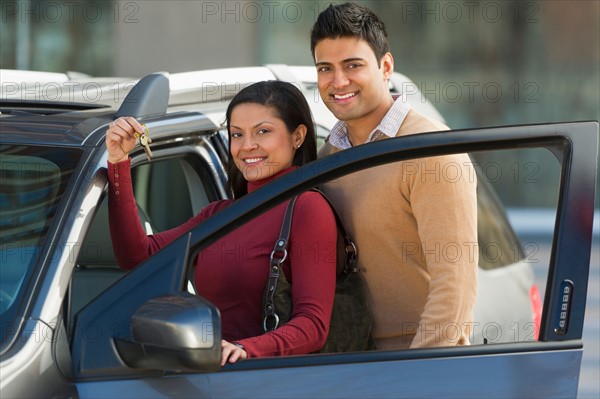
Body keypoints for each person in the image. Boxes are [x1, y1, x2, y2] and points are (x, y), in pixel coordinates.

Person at [105, 81, 337, 365]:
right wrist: (119, 162)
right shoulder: (218, 215)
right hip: (208, 375)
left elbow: (314, 326)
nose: (247, 145)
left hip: (267, 378)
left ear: (298, 136)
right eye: (236, 134)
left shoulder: (308, 208)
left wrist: (245, 349)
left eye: (263, 131)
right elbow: (135, 256)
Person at [311, 2, 478, 350]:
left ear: (386, 66)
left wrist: (415, 375)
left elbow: (454, 290)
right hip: (345, 362)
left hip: (412, 365)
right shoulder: (327, 157)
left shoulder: (430, 150)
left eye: (352, 65)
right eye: (325, 68)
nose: (338, 81)